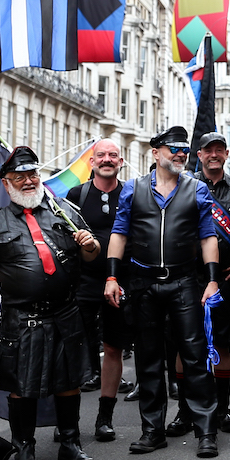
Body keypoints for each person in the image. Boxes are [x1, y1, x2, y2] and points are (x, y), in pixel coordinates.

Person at [0, 146, 100, 460]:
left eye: (32, 174)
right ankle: (23, 447)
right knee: (21, 386)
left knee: (69, 380)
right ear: (6, 183)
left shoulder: (64, 211)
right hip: (21, 317)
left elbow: (91, 254)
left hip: (66, 313)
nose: (28, 181)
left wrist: (91, 246)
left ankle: (70, 443)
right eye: (20, 176)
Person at [104, 126, 229, 457]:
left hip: (185, 282)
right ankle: (152, 430)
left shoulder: (197, 190)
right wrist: (112, 278)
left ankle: (206, 430)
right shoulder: (133, 190)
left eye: (183, 150)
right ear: (155, 152)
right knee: (147, 358)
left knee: (194, 356)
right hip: (143, 283)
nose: (179, 154)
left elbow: (207, 237)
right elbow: (119, 234)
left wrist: (212, 280)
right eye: (172, 148)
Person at [64, 140, 130, 439]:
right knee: (73, 349)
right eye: (101, 155)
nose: (107, 160)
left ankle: (105, 418)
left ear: (121, 161)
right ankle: (69, 422)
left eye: (112, 155)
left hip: (119, 282)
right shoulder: (76, 195)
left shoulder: (131, 193)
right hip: (83, 284)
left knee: (114, 347)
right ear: (91, 162)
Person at [186, 130, 230, 437]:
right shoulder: (187, 185)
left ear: (226, 154)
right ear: (199, 154)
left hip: (225, 279)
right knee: (187, 344)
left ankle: (222, 409)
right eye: (208, 150)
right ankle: (186, 412)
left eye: (219, 150)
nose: (214, 154)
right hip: (188, 278)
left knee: (221, 343)